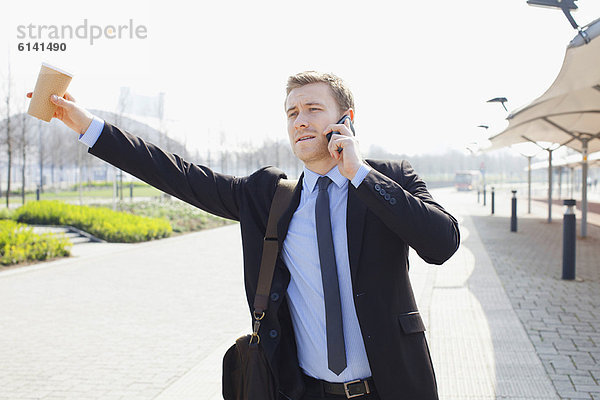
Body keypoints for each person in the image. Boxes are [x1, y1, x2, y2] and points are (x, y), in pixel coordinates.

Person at [27, 71, 459, 400]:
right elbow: (176, 174)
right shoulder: (268, 198)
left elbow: (442, 244)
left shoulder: (389, 180)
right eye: (292, 113)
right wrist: (89, 126)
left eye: (312, 109)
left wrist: (358, 174)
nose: (300, 122)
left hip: (394, 386)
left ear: (346, 119)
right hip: (302, 390)